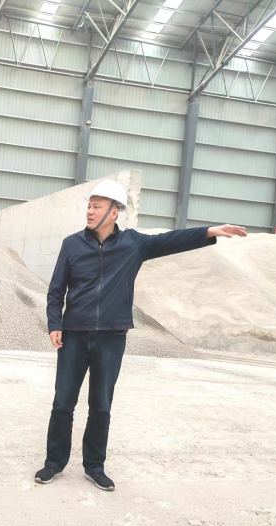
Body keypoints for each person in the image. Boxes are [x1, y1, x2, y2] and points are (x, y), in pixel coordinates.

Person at [34, 179, 247, 491]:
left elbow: (171, 240)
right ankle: (54, 462)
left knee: (101, 406)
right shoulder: (72, 244)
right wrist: (55, 323)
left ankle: (94, 466)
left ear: (114, 212)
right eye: (89, 206)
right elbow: (56, 290)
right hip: (74, 335)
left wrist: (210, 232)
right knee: (63, 402)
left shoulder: (133, 244)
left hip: (111, 337)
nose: (90, 211)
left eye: (97, 207)